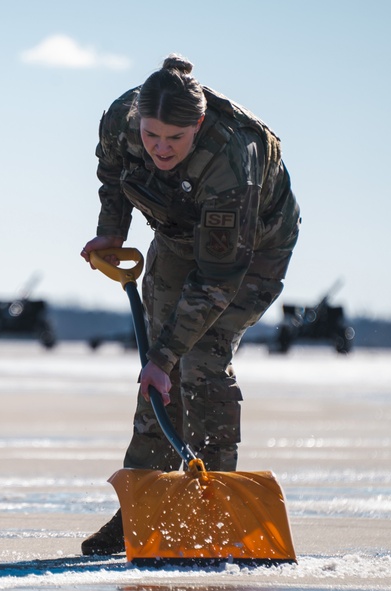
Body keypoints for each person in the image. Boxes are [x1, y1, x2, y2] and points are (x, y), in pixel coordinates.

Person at [79, 55, 301, 554]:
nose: (160, 148)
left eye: (174, 139)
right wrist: (112, 231)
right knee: (161, 368)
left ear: (197, 126)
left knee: (201, 353)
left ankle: (216, 496)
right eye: (152, 135)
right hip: (178, 237)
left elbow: (218, 280)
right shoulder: (122, 120)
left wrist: (163, 358)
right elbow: (113, 176)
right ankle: (143, 504)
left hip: (251, 249)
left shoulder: (230, 161)